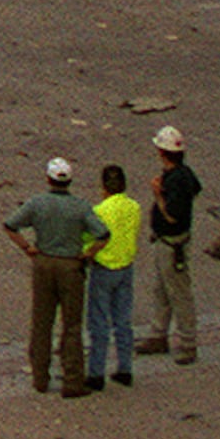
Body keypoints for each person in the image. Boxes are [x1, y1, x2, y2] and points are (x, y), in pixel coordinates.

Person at [2, 158, 95, 396]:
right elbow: (103, 233)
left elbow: (10, 225)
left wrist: (27, 247)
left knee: (42, 322)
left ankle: (40, 378)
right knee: (72, 325)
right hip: (71, 265)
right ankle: (73, 380)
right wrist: (87, 254)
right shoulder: (81, 206)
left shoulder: (37, 203)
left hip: (43, 262)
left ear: (48, 179)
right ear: (70, 180)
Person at [140, 124, 200, 366]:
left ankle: (187, 344)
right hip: (172, 242)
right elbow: (196, 189)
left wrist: (158, 195)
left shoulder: (174, 181)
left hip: (171, 244)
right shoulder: (185, 175)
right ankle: (158, 335)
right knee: (162, 290)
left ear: (162, 153)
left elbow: (172, 215)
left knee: (178, 294)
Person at [85, 163, 142, 389]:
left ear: (103, 187)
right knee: (123, 320)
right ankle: (125, 368)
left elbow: (89, 239)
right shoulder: (134, 207)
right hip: (126, 267)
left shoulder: (99, 211)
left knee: (99, 322)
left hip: (104, 268)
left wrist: (86, 253)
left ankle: (96, 373)